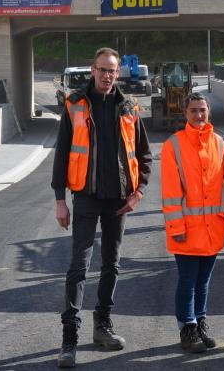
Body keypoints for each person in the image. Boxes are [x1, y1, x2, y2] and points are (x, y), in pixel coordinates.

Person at [52, 47, 153, 368]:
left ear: (118, 73)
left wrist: (138, 194)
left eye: (113, 71)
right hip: (85, 195)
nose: (108, 76)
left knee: (112, 264)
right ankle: (70, 339)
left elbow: (145, 154)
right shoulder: (75, 105)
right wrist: (60, 200)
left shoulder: (129, 106)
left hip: (118, 199)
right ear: (92, 71)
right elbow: (62, 153)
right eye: (103, 70)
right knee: (78, 266)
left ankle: (103, 327)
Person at [160, 93, 224, 353]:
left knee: (203, 282)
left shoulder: (219, 143)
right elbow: (171, 191)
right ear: (185, 113)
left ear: (208, 112)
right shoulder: (174, 145)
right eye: (193, 110)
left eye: (202, 110)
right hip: (187, 230)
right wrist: (177, 227)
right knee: (188, 281)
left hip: (212, 227)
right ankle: (187, 327)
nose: (199, 115)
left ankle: (201, 321)